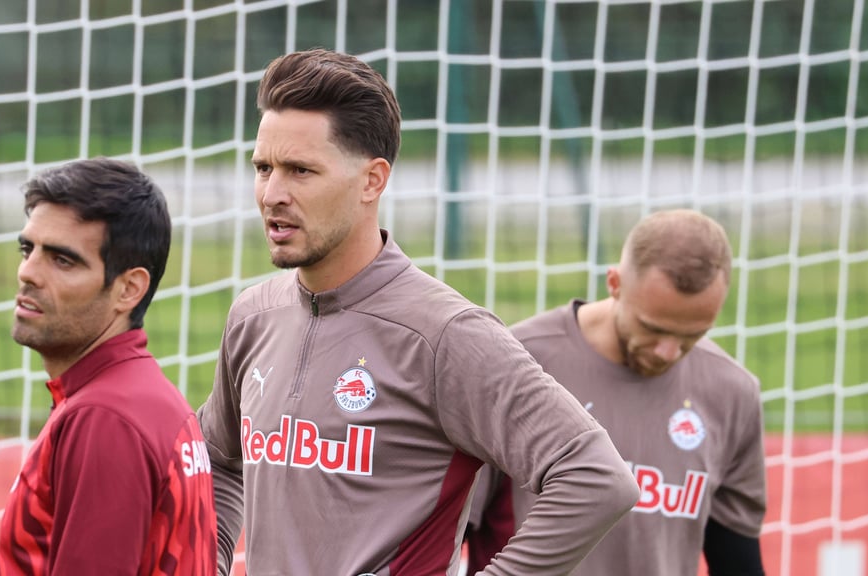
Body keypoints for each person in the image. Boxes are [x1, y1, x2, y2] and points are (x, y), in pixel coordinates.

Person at [195, 47, 640, 576]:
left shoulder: (445, 334)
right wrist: (210, 561)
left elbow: (594, 476)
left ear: (372, 181)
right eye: (263, 168)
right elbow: (218, 461)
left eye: (300, 170)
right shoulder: (253, 316)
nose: (272, 194)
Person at [465, 209, 767, 575]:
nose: (667, 352)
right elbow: (451, 526)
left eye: (692, 334)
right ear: (614, 283)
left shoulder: (732, 391)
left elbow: (735, 558)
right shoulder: (517, 362)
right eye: (652, 327)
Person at [0, 157, 218, 575]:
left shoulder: (105, 418)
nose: (28, 273)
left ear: (128, 289)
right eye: (28, 250)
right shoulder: (139, 396)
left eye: (62, 260)